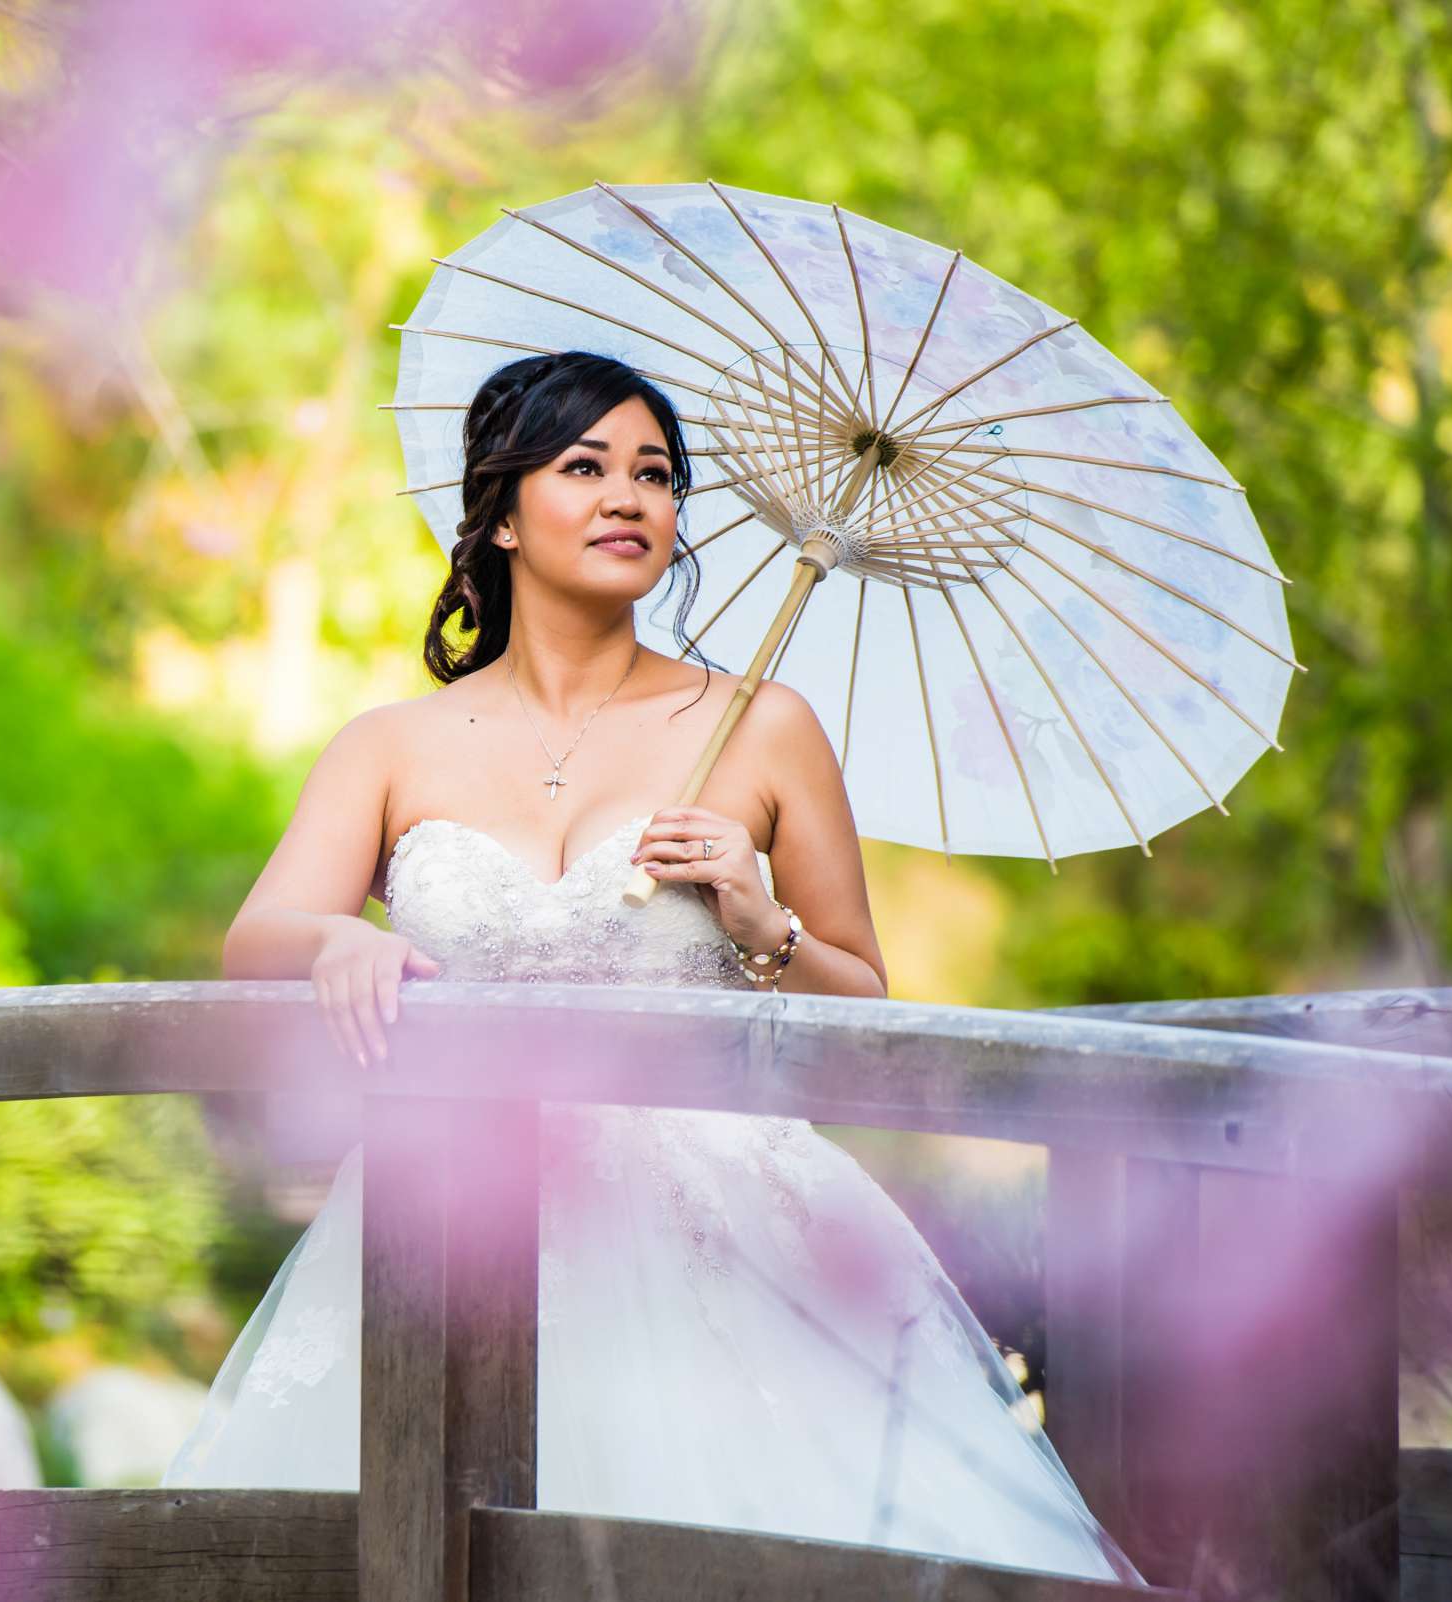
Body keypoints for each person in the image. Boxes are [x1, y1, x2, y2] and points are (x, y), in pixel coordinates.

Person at [160, 350, 1145, 1586]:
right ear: (503, 514)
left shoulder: (765, 726)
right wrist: (340, 937)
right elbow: (258, 942)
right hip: (449, 1218)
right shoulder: (390, 745)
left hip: (718, 1228)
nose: (630, 496)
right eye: (585, 468)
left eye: (657, 475)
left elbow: (864, 1007)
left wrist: (756, 915)